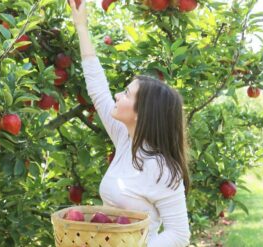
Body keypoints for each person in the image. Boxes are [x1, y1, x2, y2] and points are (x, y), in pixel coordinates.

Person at [69, 0, 191, 246]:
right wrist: (81, 26)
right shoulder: (126, 140)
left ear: (142, 112)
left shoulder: (162, 169)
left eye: (126, 93)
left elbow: (179, 235)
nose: (117, 95)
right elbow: (98, 89)